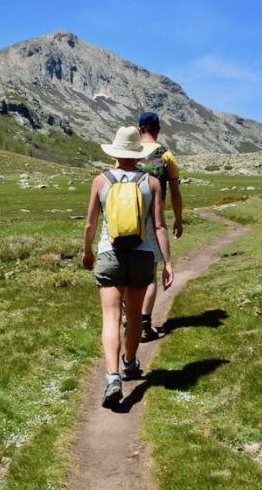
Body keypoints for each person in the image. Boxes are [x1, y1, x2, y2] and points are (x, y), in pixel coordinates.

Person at [83, 126, 174, 408]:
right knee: (133, 315)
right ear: (138, 153)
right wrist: (167, 262)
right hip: (142, 256)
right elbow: (159, 225)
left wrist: (87, 251)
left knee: (111, 317)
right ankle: (130, 363)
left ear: (116, 152)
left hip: (110, 254)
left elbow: (90, 223)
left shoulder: (100, 181)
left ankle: (112, 378)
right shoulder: (152, 183)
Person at [134, 112, 183, 341]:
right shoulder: (167, 156)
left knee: (128, 265)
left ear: (139, 129)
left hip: (128, 217)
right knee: (150, 272)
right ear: (158, 130)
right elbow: (174, 192)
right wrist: (178, 220)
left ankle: (129, 316)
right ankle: (144, 324)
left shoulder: (127, 153)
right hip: (154, 219)